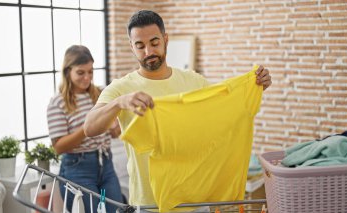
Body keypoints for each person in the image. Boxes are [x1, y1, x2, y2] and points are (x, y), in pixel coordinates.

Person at [83, 10, 272, 211]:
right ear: (132, 47)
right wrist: (119, 103)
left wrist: (255, 86)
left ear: (165, 39)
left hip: (196, 201)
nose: (148, 51)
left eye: (154, 43)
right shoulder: (121, 88)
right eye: (140, 46)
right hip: (149, 204)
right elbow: (89, 127)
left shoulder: (193, 81)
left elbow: (224, 110)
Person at [47, 45, 123, 213]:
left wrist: (114, 127)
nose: (87, 77)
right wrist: (90, 126)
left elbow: (116, 134)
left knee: (117, 210)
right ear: (68, 71)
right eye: (81, 72)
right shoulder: (58, 103)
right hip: (78, 169)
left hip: (106, 164)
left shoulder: (101, 95)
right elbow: (59, 147)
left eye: (90, 72)